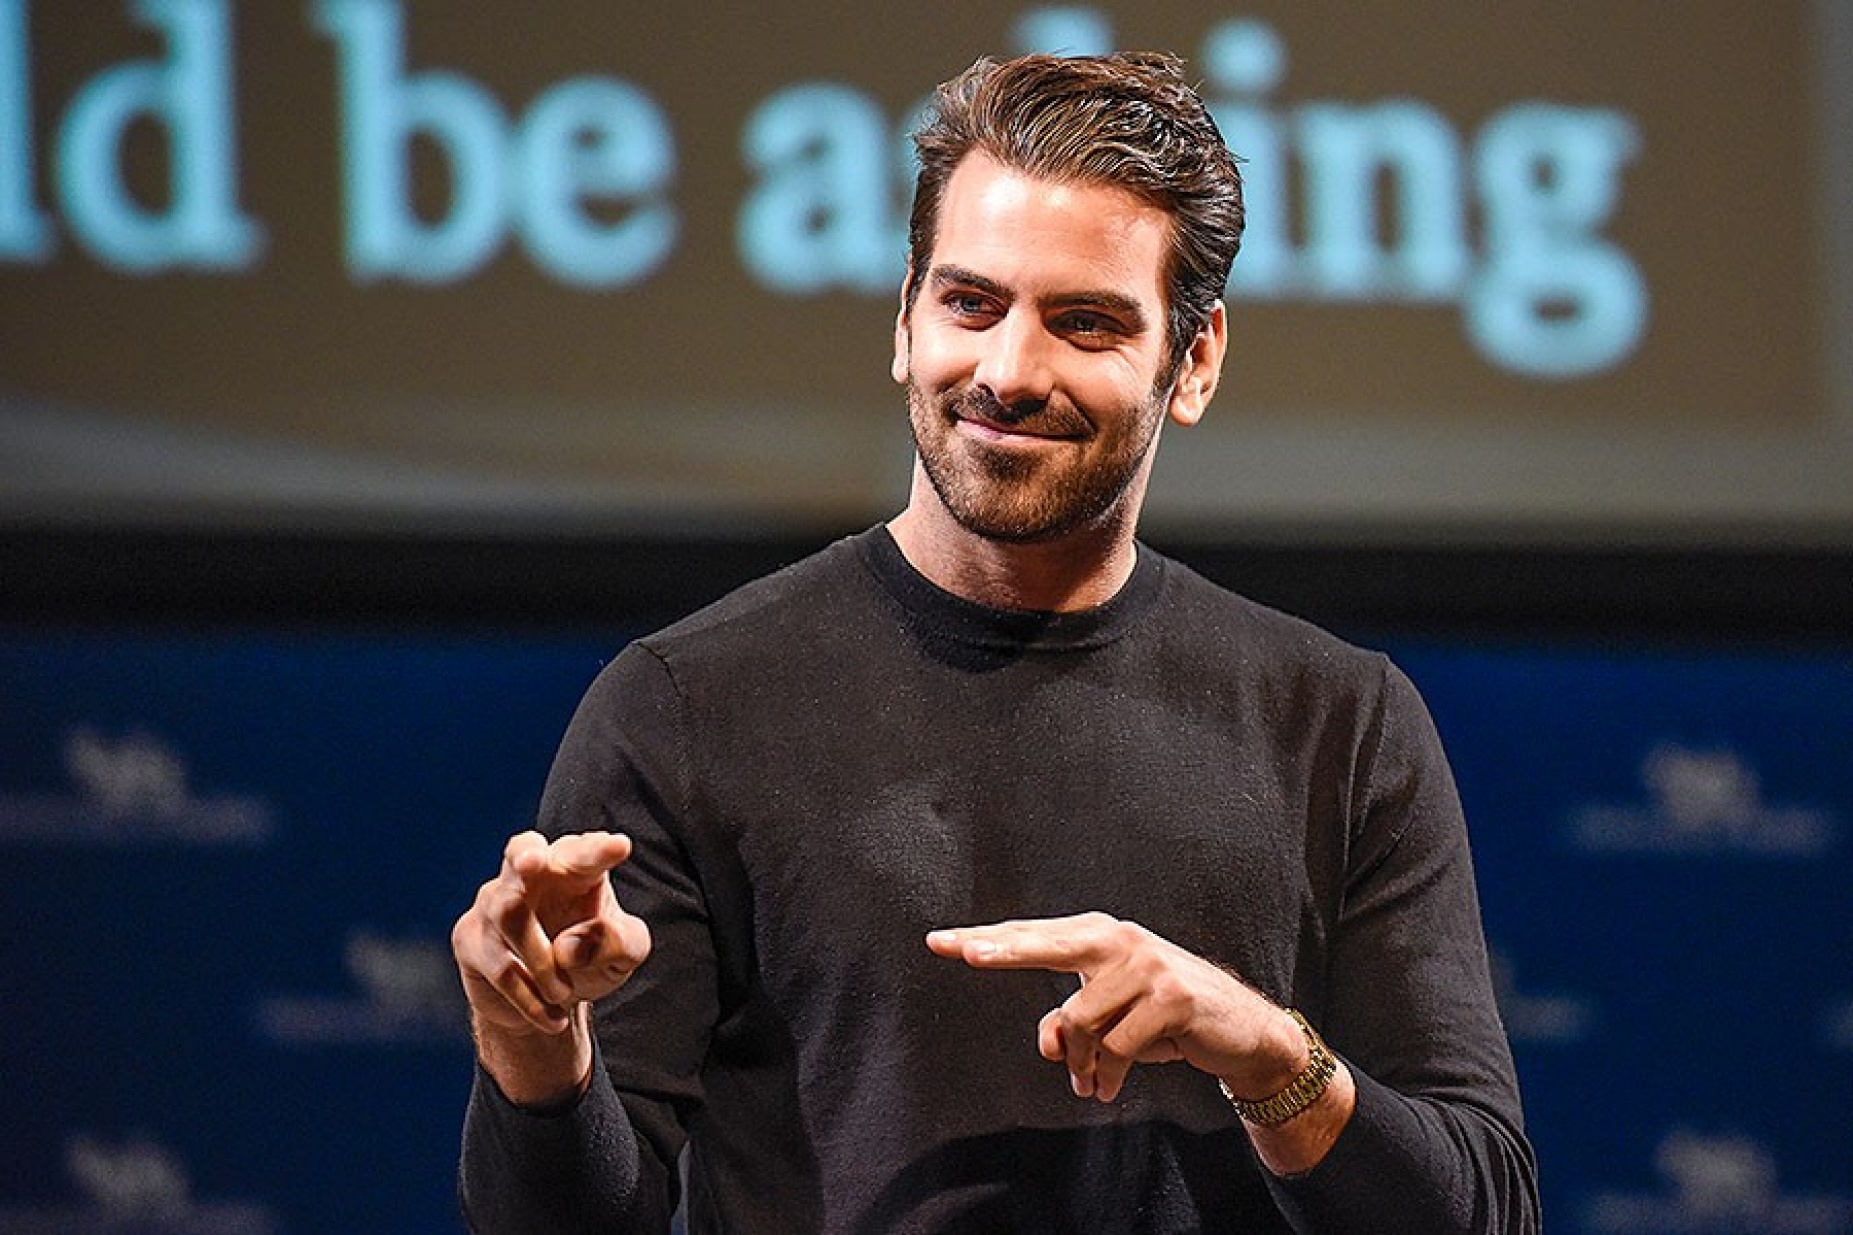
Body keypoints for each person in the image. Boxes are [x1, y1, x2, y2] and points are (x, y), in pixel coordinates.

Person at [452, 50, 1540, 1234]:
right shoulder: (682, 705)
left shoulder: (1339, 724)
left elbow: (1478, 1209)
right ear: (904, 319)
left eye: (1083, 323)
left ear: (1194, 362)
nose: (1010, 371)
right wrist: (535, 1050)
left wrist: (1258, 1047)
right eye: (970, 303)